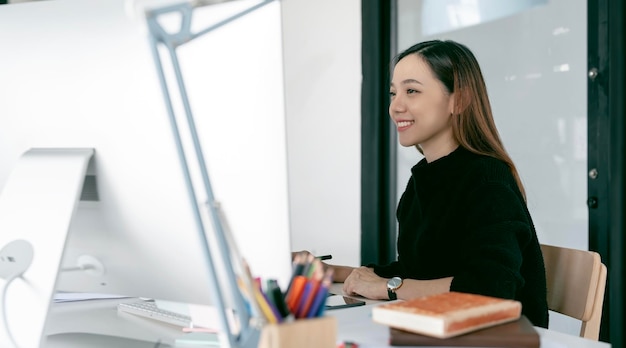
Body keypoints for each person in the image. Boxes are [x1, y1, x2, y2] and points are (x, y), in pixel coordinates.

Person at [314, 39, 549, 328]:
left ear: (458, 100)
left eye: (411, 91)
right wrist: (328, 271)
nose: (395, 106)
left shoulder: (487, 181)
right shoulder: (423, 181)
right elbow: (420, 271)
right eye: (393, 93)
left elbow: (491, 289)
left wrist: (391, 288)